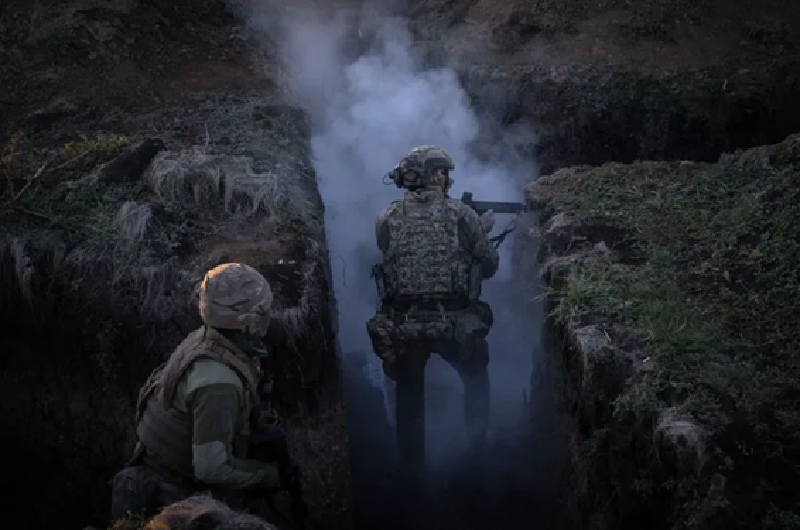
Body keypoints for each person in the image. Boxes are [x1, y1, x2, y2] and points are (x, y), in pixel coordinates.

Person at [367, 145, 500, 488]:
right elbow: (488, 266)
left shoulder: (388, 217)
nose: (448, 179)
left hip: (405, 324)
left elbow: (393, 256)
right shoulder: (462, 215)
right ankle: (476, 459)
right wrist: (481, 231)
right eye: (445, 173)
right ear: (435, 175)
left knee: (409, 395)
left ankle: (411, 471)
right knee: (475, 378)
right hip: (455, 323)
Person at [111, 262, 283, 521]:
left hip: (154, 478)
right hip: (170, 501)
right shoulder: (218, 384)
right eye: (262, 312)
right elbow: (211, 469)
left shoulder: (204, 338)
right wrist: (266, 475)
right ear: (247, 322)